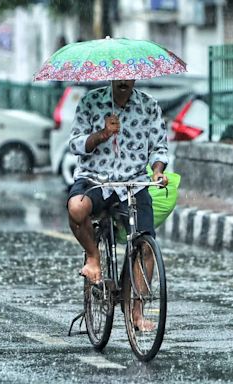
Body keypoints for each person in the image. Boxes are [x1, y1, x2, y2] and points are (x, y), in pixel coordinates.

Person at [67, 79, 169, 330]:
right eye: (119, 76)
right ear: (112, 77)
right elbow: (75, 144)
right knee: (76, 208)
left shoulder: (149, 105)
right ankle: (93, 258)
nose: (124, 81)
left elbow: (159, 148)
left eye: (128, 76)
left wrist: (157, 172)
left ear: (134, 77)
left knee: (146, 246)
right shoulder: (91, 102)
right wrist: (102, 134)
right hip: (95, 179)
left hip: (133, 183)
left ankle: (136, 312)